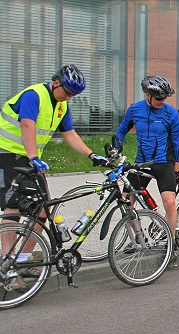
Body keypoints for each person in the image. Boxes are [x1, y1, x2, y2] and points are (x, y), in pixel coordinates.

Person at [0, 64, 107, 270]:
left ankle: (22, 259)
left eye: (73, 95)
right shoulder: (34, 95)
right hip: (6, 155)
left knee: (43, 211)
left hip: (30, 158)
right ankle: (7, 261)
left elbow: (70, 134)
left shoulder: (61, 105)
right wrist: (33, 156)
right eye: (67, 92)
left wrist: (92, 155)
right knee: (12, 208)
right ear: (56, 82)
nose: (69, 98)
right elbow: (27, 125)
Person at [116, 75, 179, 262]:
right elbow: (122, 130)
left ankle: (171, 243)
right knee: (127, 200)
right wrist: (115, 147)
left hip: (163, 162)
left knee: (169, 202)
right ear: (148, 95)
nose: (163, 102)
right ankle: (139, 236)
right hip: (141, 162)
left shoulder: (170, 113)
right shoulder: (135, 110)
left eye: (165, 98)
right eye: (159, 98)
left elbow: (177, 141)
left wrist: (177, 169)